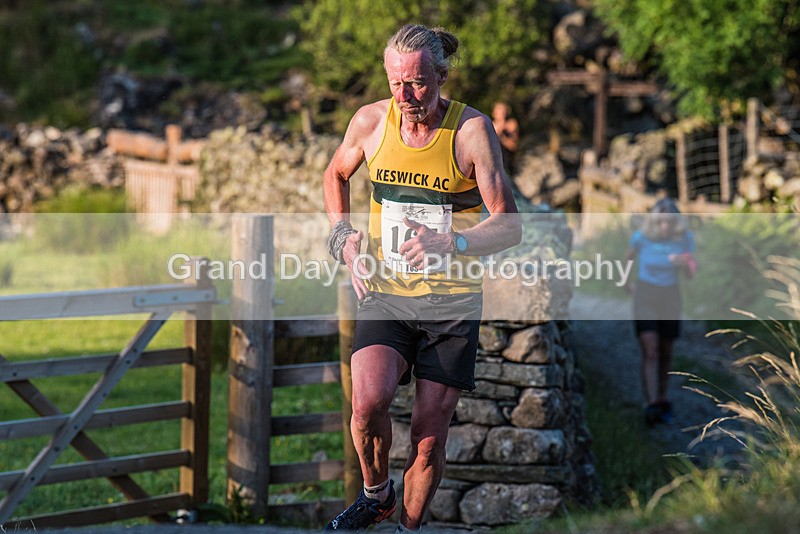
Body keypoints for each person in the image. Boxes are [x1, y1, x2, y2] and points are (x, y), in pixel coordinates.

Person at [323, 24, 521, 532]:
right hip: (386, 293)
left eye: (417, 84)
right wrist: (343, 237)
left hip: (450, 303)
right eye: (396, 83)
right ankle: (376, 494)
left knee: (428, 436)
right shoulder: (370, 122)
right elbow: (336, 174)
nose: (406, 96)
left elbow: (508, 224)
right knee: (367, 405)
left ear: (441, 75)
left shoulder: (471, 131)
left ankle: (409, 528)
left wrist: (450, 242)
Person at [625, 198, 697, 426]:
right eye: (660, 222)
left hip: (670, 296)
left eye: (669, 222)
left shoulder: (684, 239)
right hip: (645, 294)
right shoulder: (641, 237)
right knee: (651, 349)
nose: (664, 227)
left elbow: (690, 273)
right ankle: (651, 402)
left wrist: (683, 264)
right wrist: (626, 283)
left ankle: (663, 398)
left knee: (666, 349)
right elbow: (628, 259)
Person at [491, 102, 519, 175]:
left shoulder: (511, 125)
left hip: (508, 163)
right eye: (499, 111)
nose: (501, 114)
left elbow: (513, 146)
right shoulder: (490, 126)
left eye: (503, 111)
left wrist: (502, 138)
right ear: (494, 113)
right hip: (495, 164)